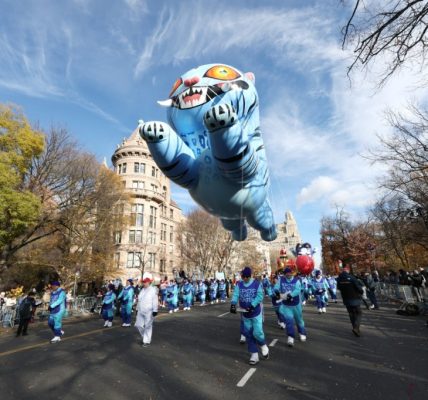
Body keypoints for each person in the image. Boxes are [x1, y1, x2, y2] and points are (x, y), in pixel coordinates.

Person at [230, 267, 269, 365]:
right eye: (243, 277)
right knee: (248, 334)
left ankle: (263, 345)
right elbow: (236, 294)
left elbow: (260, 296)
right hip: (245, 314)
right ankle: (254, 355)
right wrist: (233, 304)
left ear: (250, 276)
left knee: (257, 333)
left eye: (247, 277)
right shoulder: (239, 284)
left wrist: (252, 305)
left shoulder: (256, 284)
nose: (245, 279)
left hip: (255, 313)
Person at [273, 267, 307, 347]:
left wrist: (290, 295)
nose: (288, 274)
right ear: (284, 274)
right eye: (287, 273)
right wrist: (277, 292)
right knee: (289, 321)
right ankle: (290, 337)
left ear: (292, 273)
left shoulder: (296, 281)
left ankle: (302, 333)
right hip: (286, 305)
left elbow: (297, 290)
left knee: (299, 320)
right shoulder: (281, 280)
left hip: (296, 304)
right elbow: (276, 287)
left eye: (290, 273)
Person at [337, 265, 364, 337]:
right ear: (348, 270)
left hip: (346, 299)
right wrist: (361, 292)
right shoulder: (352, 278)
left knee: (351, 313)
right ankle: (356, 327)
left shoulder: (339, 279)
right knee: (359, 313)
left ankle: (355, 328)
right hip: (355, 298)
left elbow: (338, 287)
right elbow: (358, 288)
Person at [135, 273, 158, 347]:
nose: (144, 283)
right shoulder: (142, 290)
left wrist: (155, 310)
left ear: (149, 282)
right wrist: (137, 309)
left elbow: (155, 300)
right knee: (138, 325)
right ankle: (145, 336)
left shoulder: (153, 290)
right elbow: (139, 300)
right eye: (143, 282)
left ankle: (146, 341)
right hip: (141, 310)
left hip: (149, 311)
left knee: (148, 326)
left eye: (145, 282)